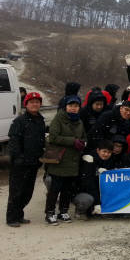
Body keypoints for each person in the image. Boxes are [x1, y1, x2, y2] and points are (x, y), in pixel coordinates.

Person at [45, 95, 87, 225]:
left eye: (76, 106)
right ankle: (49, 213)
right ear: (66, 107)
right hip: (60, 160)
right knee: (55, 188)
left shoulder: (79, 121)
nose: (73, 108)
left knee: (68, 189)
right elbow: (53, 137)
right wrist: (73, 141)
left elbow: (84, 137)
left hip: (73, 161)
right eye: (71, 106)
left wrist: (83, 143)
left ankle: (63, 211)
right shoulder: (59, 118)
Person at [6, 92, 46, 227]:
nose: (35, 104)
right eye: (32, 102)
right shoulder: (19, 121)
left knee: (27, 191)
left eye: (37, 102)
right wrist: (18, 158)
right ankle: (11, 218)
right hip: (20, 163)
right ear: (26, 104)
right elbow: (14, 141)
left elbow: (41, 141)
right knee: (16, 191)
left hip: (34, 162)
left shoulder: (40, 120)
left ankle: (19, 214)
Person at [74, 139, 118, 219]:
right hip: (85, 191)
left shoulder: (111, 161)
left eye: (109, 152)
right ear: (98, 150)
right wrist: (97, 203)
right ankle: (80, 211)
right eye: (104, 151)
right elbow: (88, 183)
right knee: (87, 200)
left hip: (100, 191)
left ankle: (103, 210)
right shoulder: (89, 160)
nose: (106, 154)